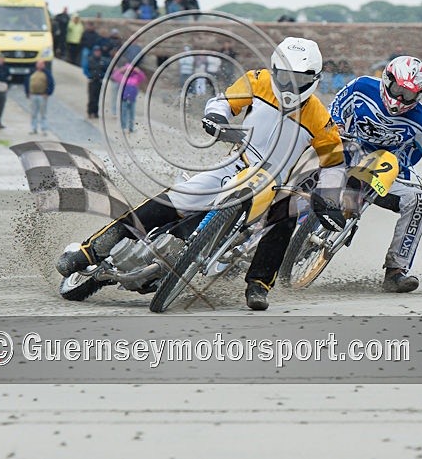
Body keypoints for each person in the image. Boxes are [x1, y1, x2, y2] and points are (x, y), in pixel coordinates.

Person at [56, 37, 346, 311]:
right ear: (273, 70)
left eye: (299, 80)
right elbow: (224, 101)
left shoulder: (321, 119)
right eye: (284, 76)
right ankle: (89, 251)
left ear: (314, 78)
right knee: (173, 200)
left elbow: (334, 163)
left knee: (286, 216)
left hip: (273, 185)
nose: (290, 85)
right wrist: (216, 117)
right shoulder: (257, 81)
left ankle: (258, 286)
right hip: (236, 164)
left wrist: (330, 197)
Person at [327, 55, 422, 293]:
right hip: (348, 152)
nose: (399, 99)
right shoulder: (361, 87)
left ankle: (396, 271)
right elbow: (336, 105)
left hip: (387, 175)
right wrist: (338, 124)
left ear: (419, 95)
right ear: (387, 80)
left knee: (418, 199)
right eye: (398, 90)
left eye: (408, 95)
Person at [110, 60, 146, 133]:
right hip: (124, 99)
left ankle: (131, 128)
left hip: (132, 99)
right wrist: (122, 69)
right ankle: (123, 127)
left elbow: (143, 77)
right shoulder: (122, 77)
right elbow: (115, 75)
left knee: (132, 114)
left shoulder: (136, 77)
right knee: (124, 113)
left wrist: (137, 70)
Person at [24, 60, 54, 134]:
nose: (40, 65)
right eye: (38, 64)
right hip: (33, 95)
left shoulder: (47, 73)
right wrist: (27, 92)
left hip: (42, 95)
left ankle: (44, 129)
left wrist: (48, 93)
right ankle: (33, 128)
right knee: (33, 113)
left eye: (41, 64)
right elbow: (27, 82)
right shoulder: (32, 72)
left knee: (43, 113)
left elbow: (51, 83)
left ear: (44, 65)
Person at [85, 45, 109, 119]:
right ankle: (90, 112)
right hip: (92, 81)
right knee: (91, 97)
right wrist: (89, 76)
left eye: (98, 51)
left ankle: (95, 112)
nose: (97, 53)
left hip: (99, 81)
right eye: (96, 51)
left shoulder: (103, 60)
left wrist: (102, 76)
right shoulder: (90, 60)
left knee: (97, 97)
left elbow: (106, 70)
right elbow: (86, 69)